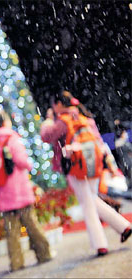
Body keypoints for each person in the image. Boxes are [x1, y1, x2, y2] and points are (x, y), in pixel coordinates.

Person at [40, 90, 131, 257]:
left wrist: (47, 120)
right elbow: (98, 141)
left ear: (59, 105)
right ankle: (123, 226)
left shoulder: (63, 121)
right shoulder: (85, 117)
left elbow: (46, 136)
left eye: (54, 105)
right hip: (93, 164)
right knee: (91, 199)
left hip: (75, 166)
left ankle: (100, 245)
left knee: (88, 205)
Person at [0, 109, 52, 271]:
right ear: (5, 122)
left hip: (2, 193)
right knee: (32, 225)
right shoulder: (11, 138)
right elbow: (22, 161)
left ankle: (16, 262)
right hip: (19, 191)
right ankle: (44, 254)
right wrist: (29, 165)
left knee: (12, 231)